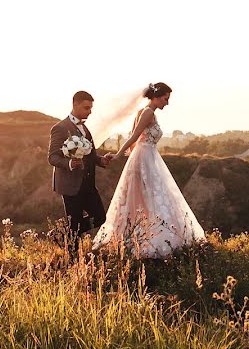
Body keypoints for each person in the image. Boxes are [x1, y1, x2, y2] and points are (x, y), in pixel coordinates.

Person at [93, 82, 205, 258]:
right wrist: (119, 154)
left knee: (152, 196)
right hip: (145, 157)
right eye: (165, 99)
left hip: (148, 156)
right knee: (153, 195)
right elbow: (134, 136)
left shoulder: (144, 112)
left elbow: (136, 136)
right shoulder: (148, 112)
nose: (167, 103)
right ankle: (153, 237)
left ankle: (145, 233)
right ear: (156, 96)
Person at [48, 91, 113, 257]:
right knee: (75, 225)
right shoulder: (60, 128)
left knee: (100, 217)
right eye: (86, 108)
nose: (89, 112)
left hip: (88, 184)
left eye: (91, 108)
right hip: (70, 184)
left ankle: (61, 234)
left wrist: (100, 160)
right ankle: (72, 262)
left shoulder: (85, 128)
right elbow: (53, 157)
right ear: (75, 105)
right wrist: (69, 163)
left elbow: (90, 154)